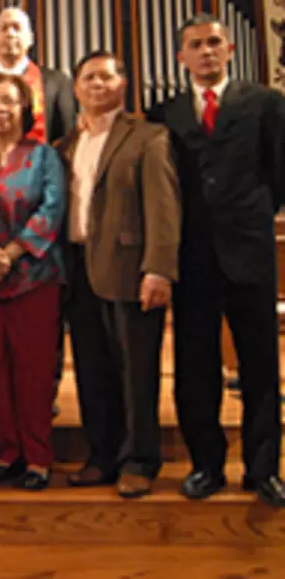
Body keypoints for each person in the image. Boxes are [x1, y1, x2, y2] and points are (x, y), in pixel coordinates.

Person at [148, 13, 285, 508]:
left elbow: (278, 173)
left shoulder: (265, 104)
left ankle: (263, 468)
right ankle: (206, 464)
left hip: (249, 252)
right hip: (194, 256)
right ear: (180, 56)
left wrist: (251, 217)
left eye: (213, 43)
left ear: (229, 49)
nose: (205, 52)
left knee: (259, 365)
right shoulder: (164, 112)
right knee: (195, 364)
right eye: (194, 45)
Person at [57, 52, 180, 498]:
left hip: (130, 270)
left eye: (107, 76)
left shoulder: (147, 137)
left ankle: (139, 459)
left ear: (123, 84)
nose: (98, 84)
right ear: (76, 88)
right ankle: (102, 454)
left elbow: (163, 207)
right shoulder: (65, 145)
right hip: (78, 269)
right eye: (89, 77)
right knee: (91, 371)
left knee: (136, 371)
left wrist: (159, 268)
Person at [0, 6, 75, 416]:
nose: (10, 34)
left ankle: (47, 387)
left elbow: (66, 144)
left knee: (43, 319)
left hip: (41, 212)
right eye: (2, 27)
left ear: (30, 38)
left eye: (18, 28)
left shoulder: (56, 83)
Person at [0, 73, 65, 491]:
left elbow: (52, 208)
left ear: (26, 108)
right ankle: (8, 451)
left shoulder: (45, 158)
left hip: (33, 278)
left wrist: (12, 253)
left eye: (8, 101)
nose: (0, 109)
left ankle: (38, 456)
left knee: (34, 369)